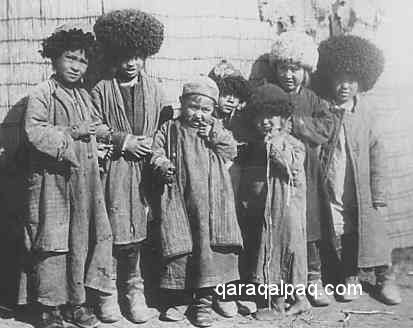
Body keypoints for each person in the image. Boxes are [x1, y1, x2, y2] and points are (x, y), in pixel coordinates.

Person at [21, 26, 113, 328]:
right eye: (69, 58)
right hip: (52, 181)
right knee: (52, 241)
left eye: (82, 61)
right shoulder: (41, 94)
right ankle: (49, 306)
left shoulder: (83, 95)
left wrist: (99, 142)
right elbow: (34, 132)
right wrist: (73, 133)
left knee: (80, 240)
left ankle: (76, 302)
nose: (75, 66)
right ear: (54, 58)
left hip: (83, 182)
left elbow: (92, 128)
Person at [90, 9, 167, 323]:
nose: (131, 63)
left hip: (144, 172)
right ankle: (106, 295)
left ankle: (134, 293)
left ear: (145, 54)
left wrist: (153, 147)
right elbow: (93, 125)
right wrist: (123, 140)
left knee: (136, 238)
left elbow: (164, 125)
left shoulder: (155, 89)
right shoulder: (101, 89)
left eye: (137, 56)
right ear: (114, 56)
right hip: (113, 172)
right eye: (125, 56)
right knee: (109, 235)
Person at [150, 76, 243, 327]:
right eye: (193, 107)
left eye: (205, 109)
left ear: (213, 110)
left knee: (209, 250)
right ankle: (180, 299)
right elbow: (155, 151)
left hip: (212, 203)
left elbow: (231, 150)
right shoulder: (170, 128)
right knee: (181, 248)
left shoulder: (216, 128)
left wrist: (214, 134)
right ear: (182, 104)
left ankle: (205, 301)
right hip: (180, 200)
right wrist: (162, 164)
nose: (199, 114)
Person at [317, 34, 402, 305]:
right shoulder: (322, 109)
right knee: (342, 231)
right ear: (329, 76)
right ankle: (349, 276)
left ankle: (386, 278)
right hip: (334, 182)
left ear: (363, 82)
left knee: (373, 230)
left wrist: (378, 194)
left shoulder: (366, 114)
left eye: (352, 80)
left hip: (360, 186)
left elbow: (377, 153)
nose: (344, 86)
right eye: (339, 78)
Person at [264, 31, 335, 306]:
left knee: (311, 225)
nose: (289, 74)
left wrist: (300, 125)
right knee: (283, 225)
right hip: (280, 174)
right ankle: (282, 282)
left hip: (309, 173)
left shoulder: (315, 100)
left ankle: (314, 280)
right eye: (284, 67)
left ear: (305, 71)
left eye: (295, 69)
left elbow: (326, 128)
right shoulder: (270, 95)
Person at [239, 84, 309, 318]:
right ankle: (277, 300)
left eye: (271, 116)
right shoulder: (258, 145)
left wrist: (274, 149)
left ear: (283, 118)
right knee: (270, 250)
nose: (265, 121)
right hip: (269, 211)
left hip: (288, 210)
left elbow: (292, 170)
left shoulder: (291, 143)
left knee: (286, 251)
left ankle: (291, 302)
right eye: (260, 117)